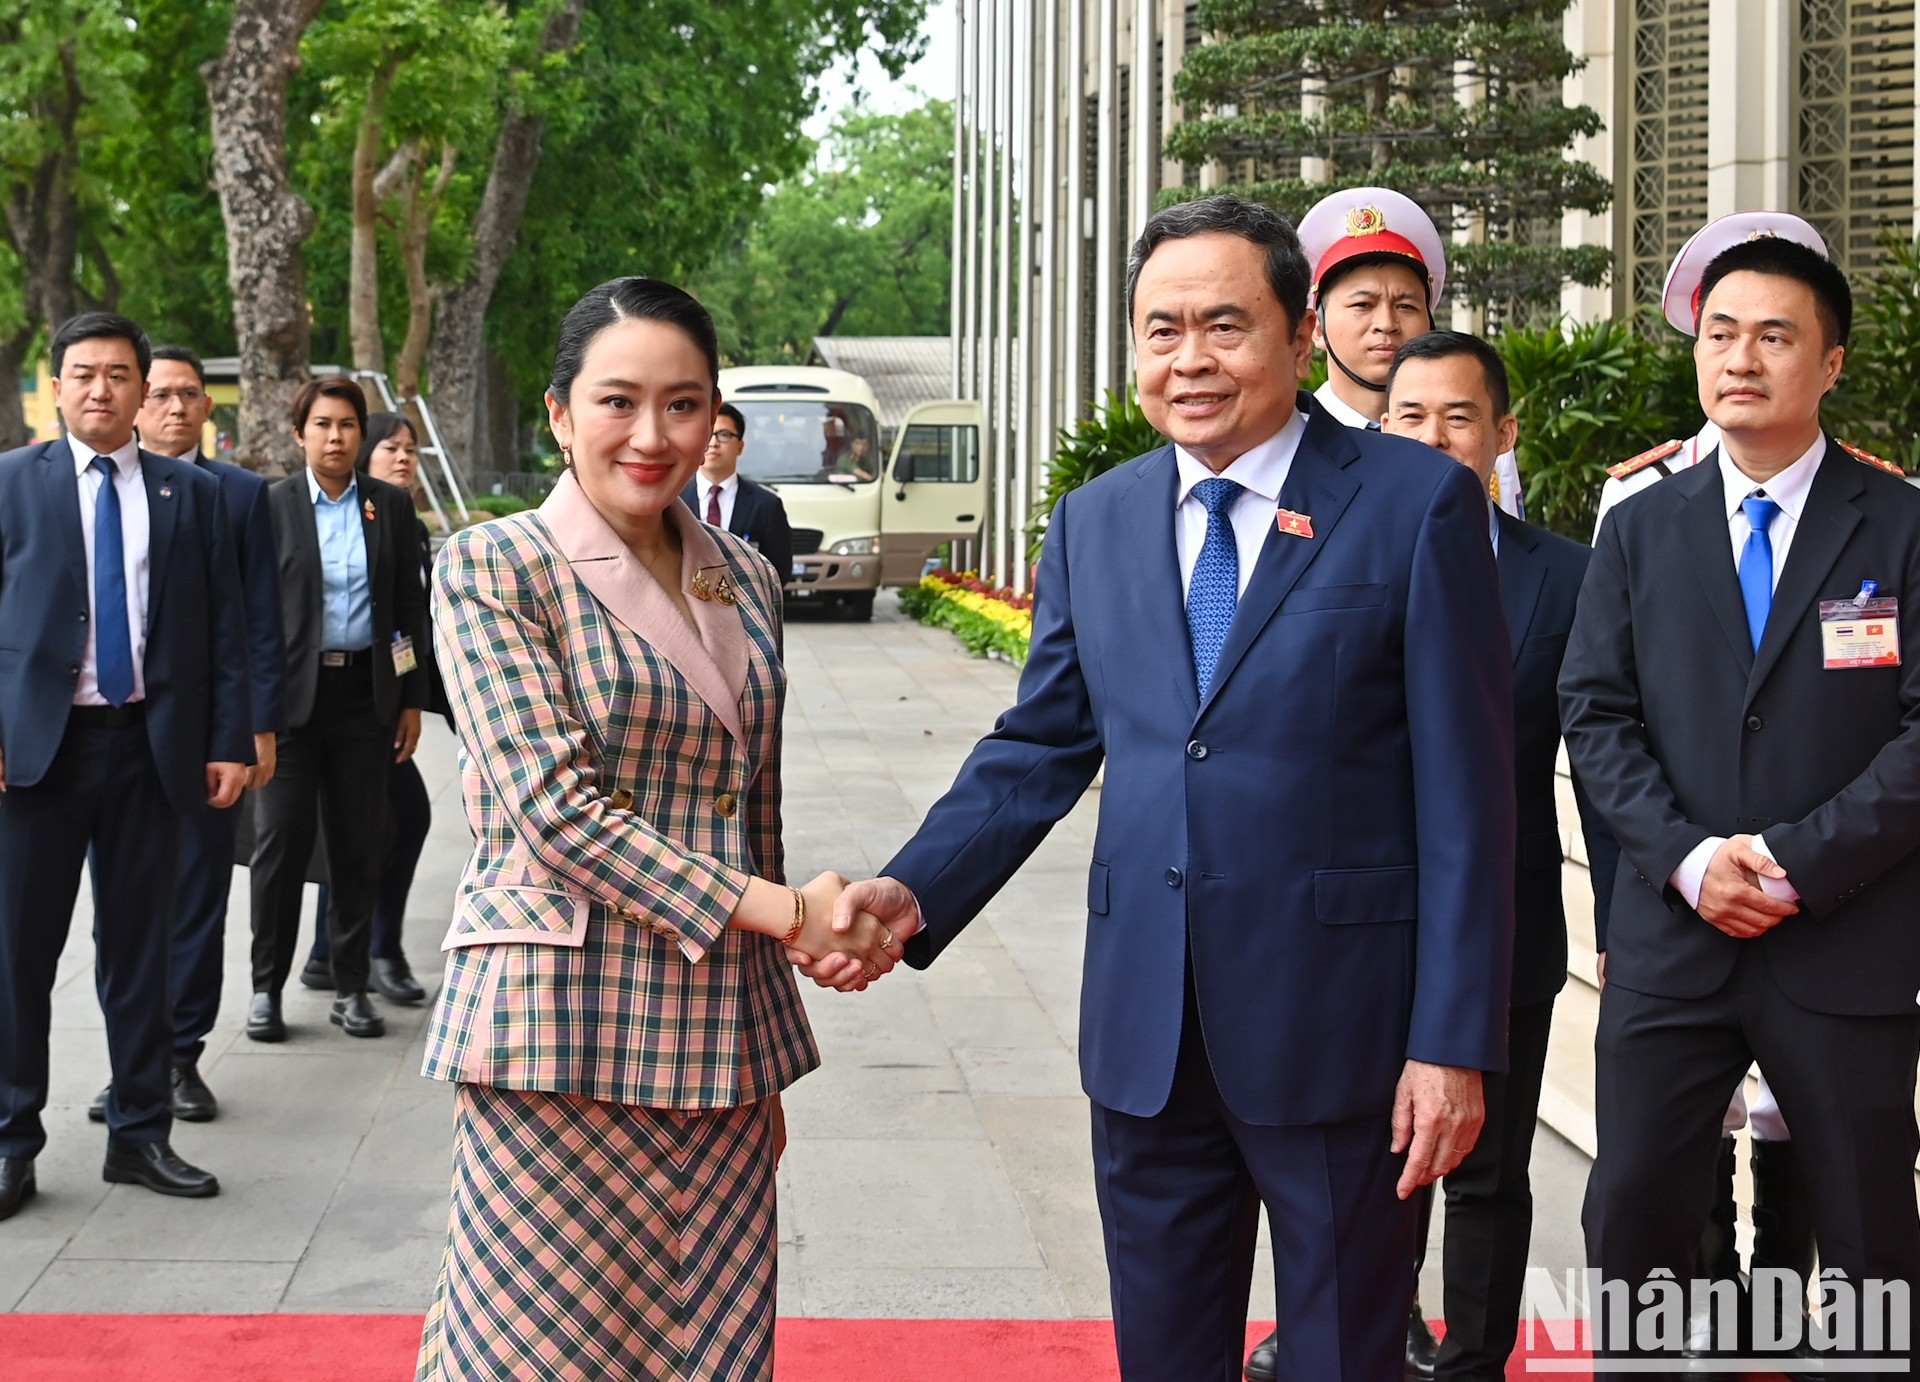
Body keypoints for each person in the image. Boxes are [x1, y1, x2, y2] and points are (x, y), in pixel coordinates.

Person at [821, 195, 1517, 1381]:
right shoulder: (1099, 518)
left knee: (1347, 1357)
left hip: (1343, 1034)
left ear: (1301, 340)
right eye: (1160, 329)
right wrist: (911, 888)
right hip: (1148, 1033)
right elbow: (1040, 743)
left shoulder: (1412, 503)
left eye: (1224, 325)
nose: (1188, 359)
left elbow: (1470, 791)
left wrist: (1450, 1041)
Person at [414, 275, 897, 1380]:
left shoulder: (747, 576)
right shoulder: (494, 567)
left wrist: (767, 1034)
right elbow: (555, 811)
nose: (651, 434)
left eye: (683, 404)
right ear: (558, 412)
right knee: (531, 1351)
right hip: (559, 1031)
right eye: (617, 401)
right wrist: (790, 914)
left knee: (711, 1348)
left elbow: (750, 807)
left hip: (719, 1037)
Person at [1562, 212, 1920, 1374]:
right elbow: (1597, 712)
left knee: (1870, 1233)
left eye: (1775, 336)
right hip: (1678, 935)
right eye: (1721, 334)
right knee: (1634, 1216)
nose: (1741, 359)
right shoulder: (1640, 525)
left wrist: (1800, 860)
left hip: (1847, 935)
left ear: (1831, 362)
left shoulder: (1904, 522)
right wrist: (1689, 858)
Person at [1381, 330, 1620, 1380]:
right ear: (1380, 430)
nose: (1434, 438)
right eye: (1410, 416)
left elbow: (1606, 760)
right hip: (1361, 921)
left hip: (1508, 922)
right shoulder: (1321, 555)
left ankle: (1475, 1360)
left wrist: (1622, 919)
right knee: (1369, 1167)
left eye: (1459, 416)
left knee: (1488, 1169)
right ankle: (1363, 1340)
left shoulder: (1565, 579)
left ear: (1502, 432)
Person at [0, 312, 252, 1217]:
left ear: (145, 390)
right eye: (81, 374)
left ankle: (140, 1135)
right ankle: (11, 1141)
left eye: (117, 374)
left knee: (140, 953)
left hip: (150, 749)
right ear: (58, 386)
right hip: (37, 756)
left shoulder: (192, 496)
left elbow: (222, 629)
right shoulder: (10, 485)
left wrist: (229, 741)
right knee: (17, 956)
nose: (100, 389)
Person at [83, 345, 285, 1129]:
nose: (173, 408)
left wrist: (255, 728)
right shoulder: (83, 491)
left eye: (188, 395)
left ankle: (181, 1055)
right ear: (137, 404)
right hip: (108, 739)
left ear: (208, 408)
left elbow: (257, 622)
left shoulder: (234, 495)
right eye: (159, 393)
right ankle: (129, 1065)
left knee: (198, 899)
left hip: (201, 742)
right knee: (119, 916)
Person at [248, 377, 426, 1043]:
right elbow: (255, 619)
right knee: (280, 850)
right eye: (322, 424)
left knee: (359, 847)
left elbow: (407, 612)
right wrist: (255, 715)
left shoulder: (389, 507)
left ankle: (352, 989)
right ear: (300, 434)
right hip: (293, 708)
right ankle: (266, 989)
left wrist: (408, 697)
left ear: (360, 433)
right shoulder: (271, 507)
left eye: (347, 425)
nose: (335, 437)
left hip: (364, 702)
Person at [299, 413, 443, 1005]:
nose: (404, 458)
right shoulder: (346, 517)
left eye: (411, 449)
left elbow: (407, 629)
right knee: (384, 820)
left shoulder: (402, 520)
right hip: (330, 699)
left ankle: (331, 952)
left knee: (375, 821)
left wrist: (409, 695)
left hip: (380, 698)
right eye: (392, 447)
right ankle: (367, 949)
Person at [1295, 185, 1526, 522]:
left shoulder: (1472, 435)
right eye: (1363, 305)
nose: (1387, 324)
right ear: (1316, 328)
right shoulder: (1293, 441)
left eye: (1406, 306)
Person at [683, 401, 796, 596]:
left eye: (724, 435)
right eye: (708, 434)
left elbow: (779, 571)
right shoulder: (674, 499)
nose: (713, 443)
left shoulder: (766, 505)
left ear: (740, 446)